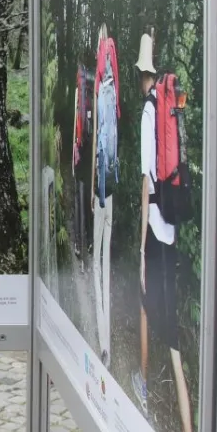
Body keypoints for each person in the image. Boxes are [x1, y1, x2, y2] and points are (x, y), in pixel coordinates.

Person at [130, 31, 196, 432]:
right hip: (173, 226)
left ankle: (143, 382)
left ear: (143, 75)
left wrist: (139, 245)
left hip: (154, 226)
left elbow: (146, 184)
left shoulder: (149, 113)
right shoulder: (172, 108)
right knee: (170, 327)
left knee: (145, 299)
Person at [91, 24, 120, 365]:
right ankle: (108, 341)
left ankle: (103, 343)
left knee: (96, 266)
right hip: (112, 191)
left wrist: (94, 193)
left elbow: (97, 151)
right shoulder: (116, 97)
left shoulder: (101, 95)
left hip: (101, 194)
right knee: (107, 265)